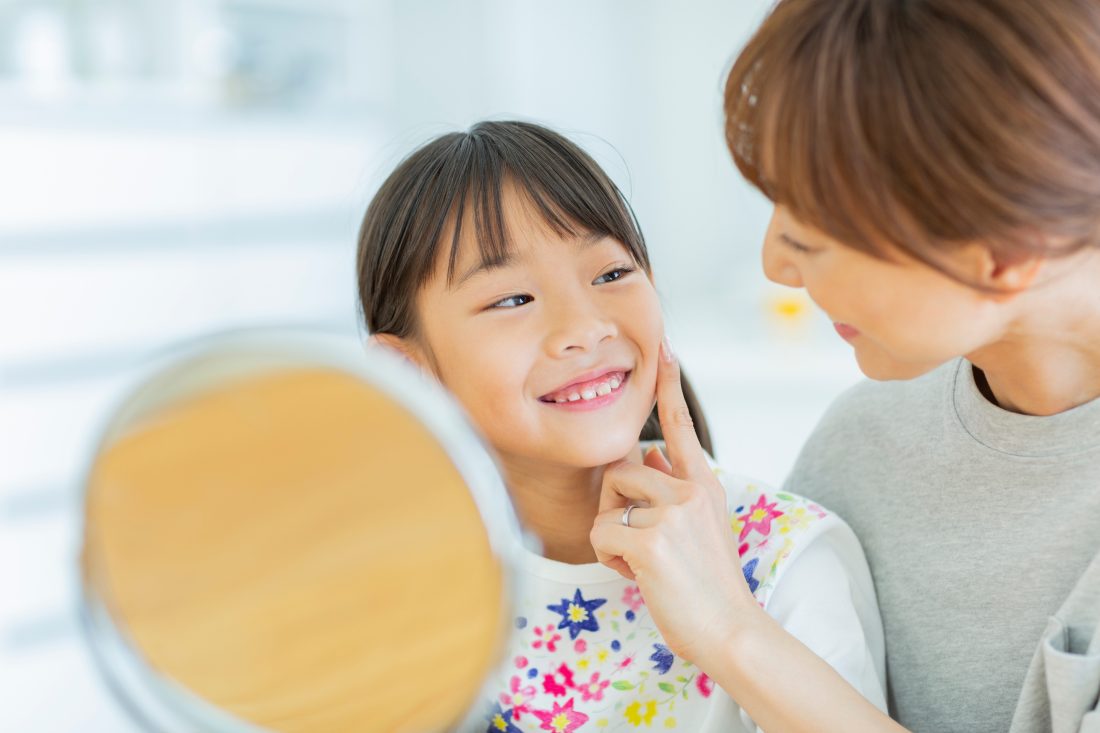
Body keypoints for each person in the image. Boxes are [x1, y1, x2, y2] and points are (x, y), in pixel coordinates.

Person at [589, 1, 1100, 732]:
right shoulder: (863, 443)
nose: (776, 266)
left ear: (1009, 249)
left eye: (813, 236)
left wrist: (732, 631)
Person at [356, 120, 886, 732]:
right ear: (407, 370)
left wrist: (727, 627)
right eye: (511, 299)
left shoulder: (784, 559)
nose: (586, 326)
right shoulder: (367, 583)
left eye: (611, 275)